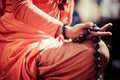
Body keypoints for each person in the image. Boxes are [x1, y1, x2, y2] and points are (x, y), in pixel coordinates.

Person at [0, 0, 112, 80]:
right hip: (20, 45)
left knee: (95, 47)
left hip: (51, 42)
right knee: (94, 53)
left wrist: (81, 35)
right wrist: (66, 31)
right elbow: (20, 5)